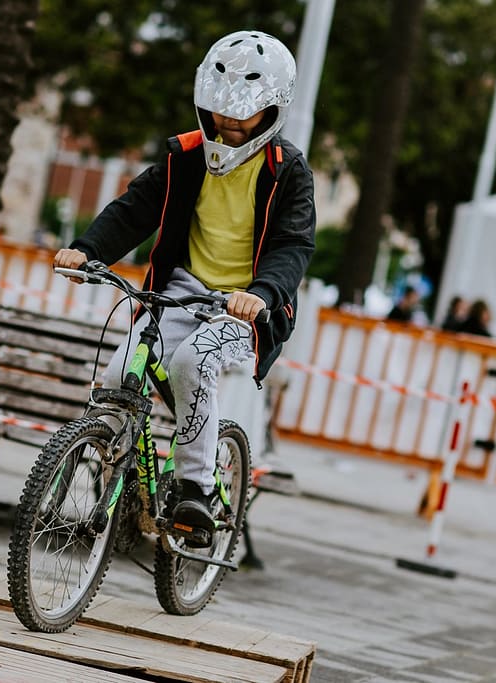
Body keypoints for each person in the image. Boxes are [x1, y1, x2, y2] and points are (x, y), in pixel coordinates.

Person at [53, 30, 314, 547]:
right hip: (180, 290)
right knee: (116, 371)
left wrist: (262, 293)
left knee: (193, 363)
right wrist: (89, 248)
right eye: (219, 112)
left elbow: (293, 246)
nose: (229, 125)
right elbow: (135, 209)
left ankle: (195, 488)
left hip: (247, 309)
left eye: (243, 116)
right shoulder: (185, 156)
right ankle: (113, 479)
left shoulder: (289, 173)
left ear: (272, 112)